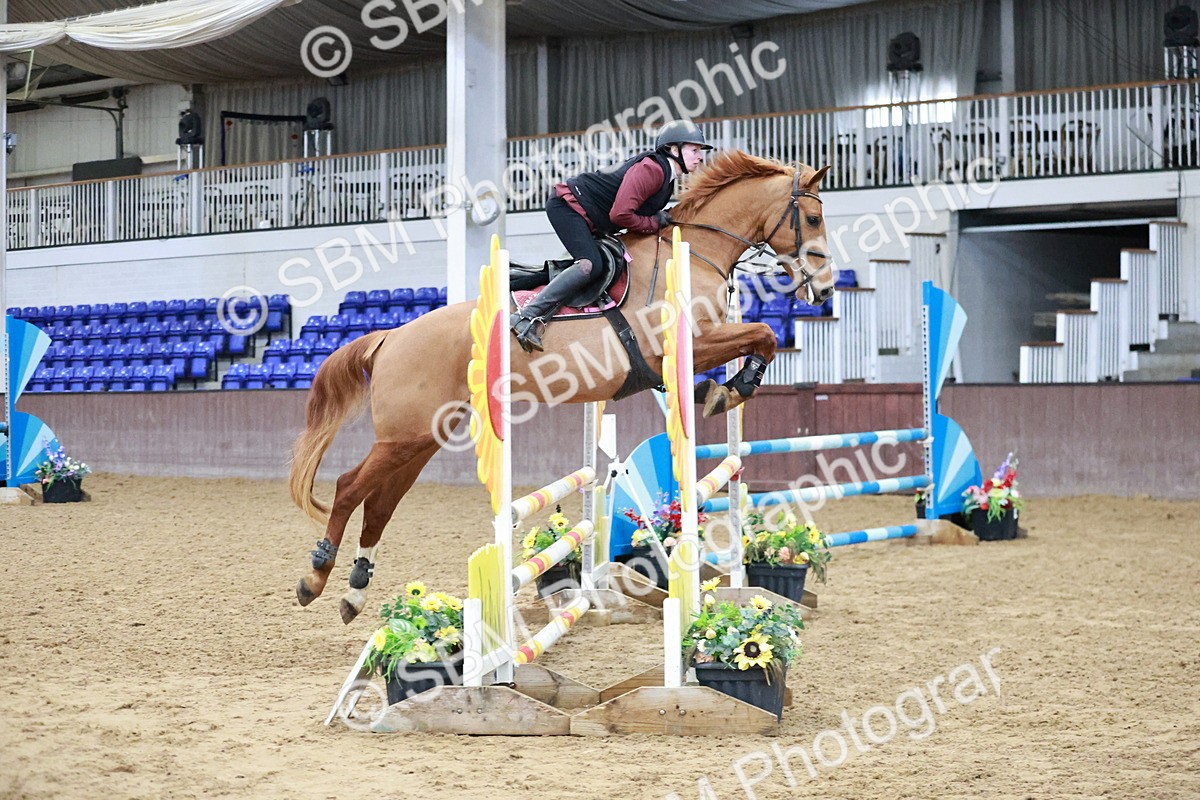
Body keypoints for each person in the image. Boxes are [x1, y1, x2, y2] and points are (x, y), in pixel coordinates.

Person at [509, 119, 713, 353]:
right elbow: (621, 214)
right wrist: (653, 222)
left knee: (596, 266)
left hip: (592, 217)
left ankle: (516, 280)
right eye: (694, 150)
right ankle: (526, 316)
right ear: (673, 150)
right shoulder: (653, 169)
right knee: (588, 266)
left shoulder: (666, 179)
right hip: (568, 206)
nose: (700, 157)